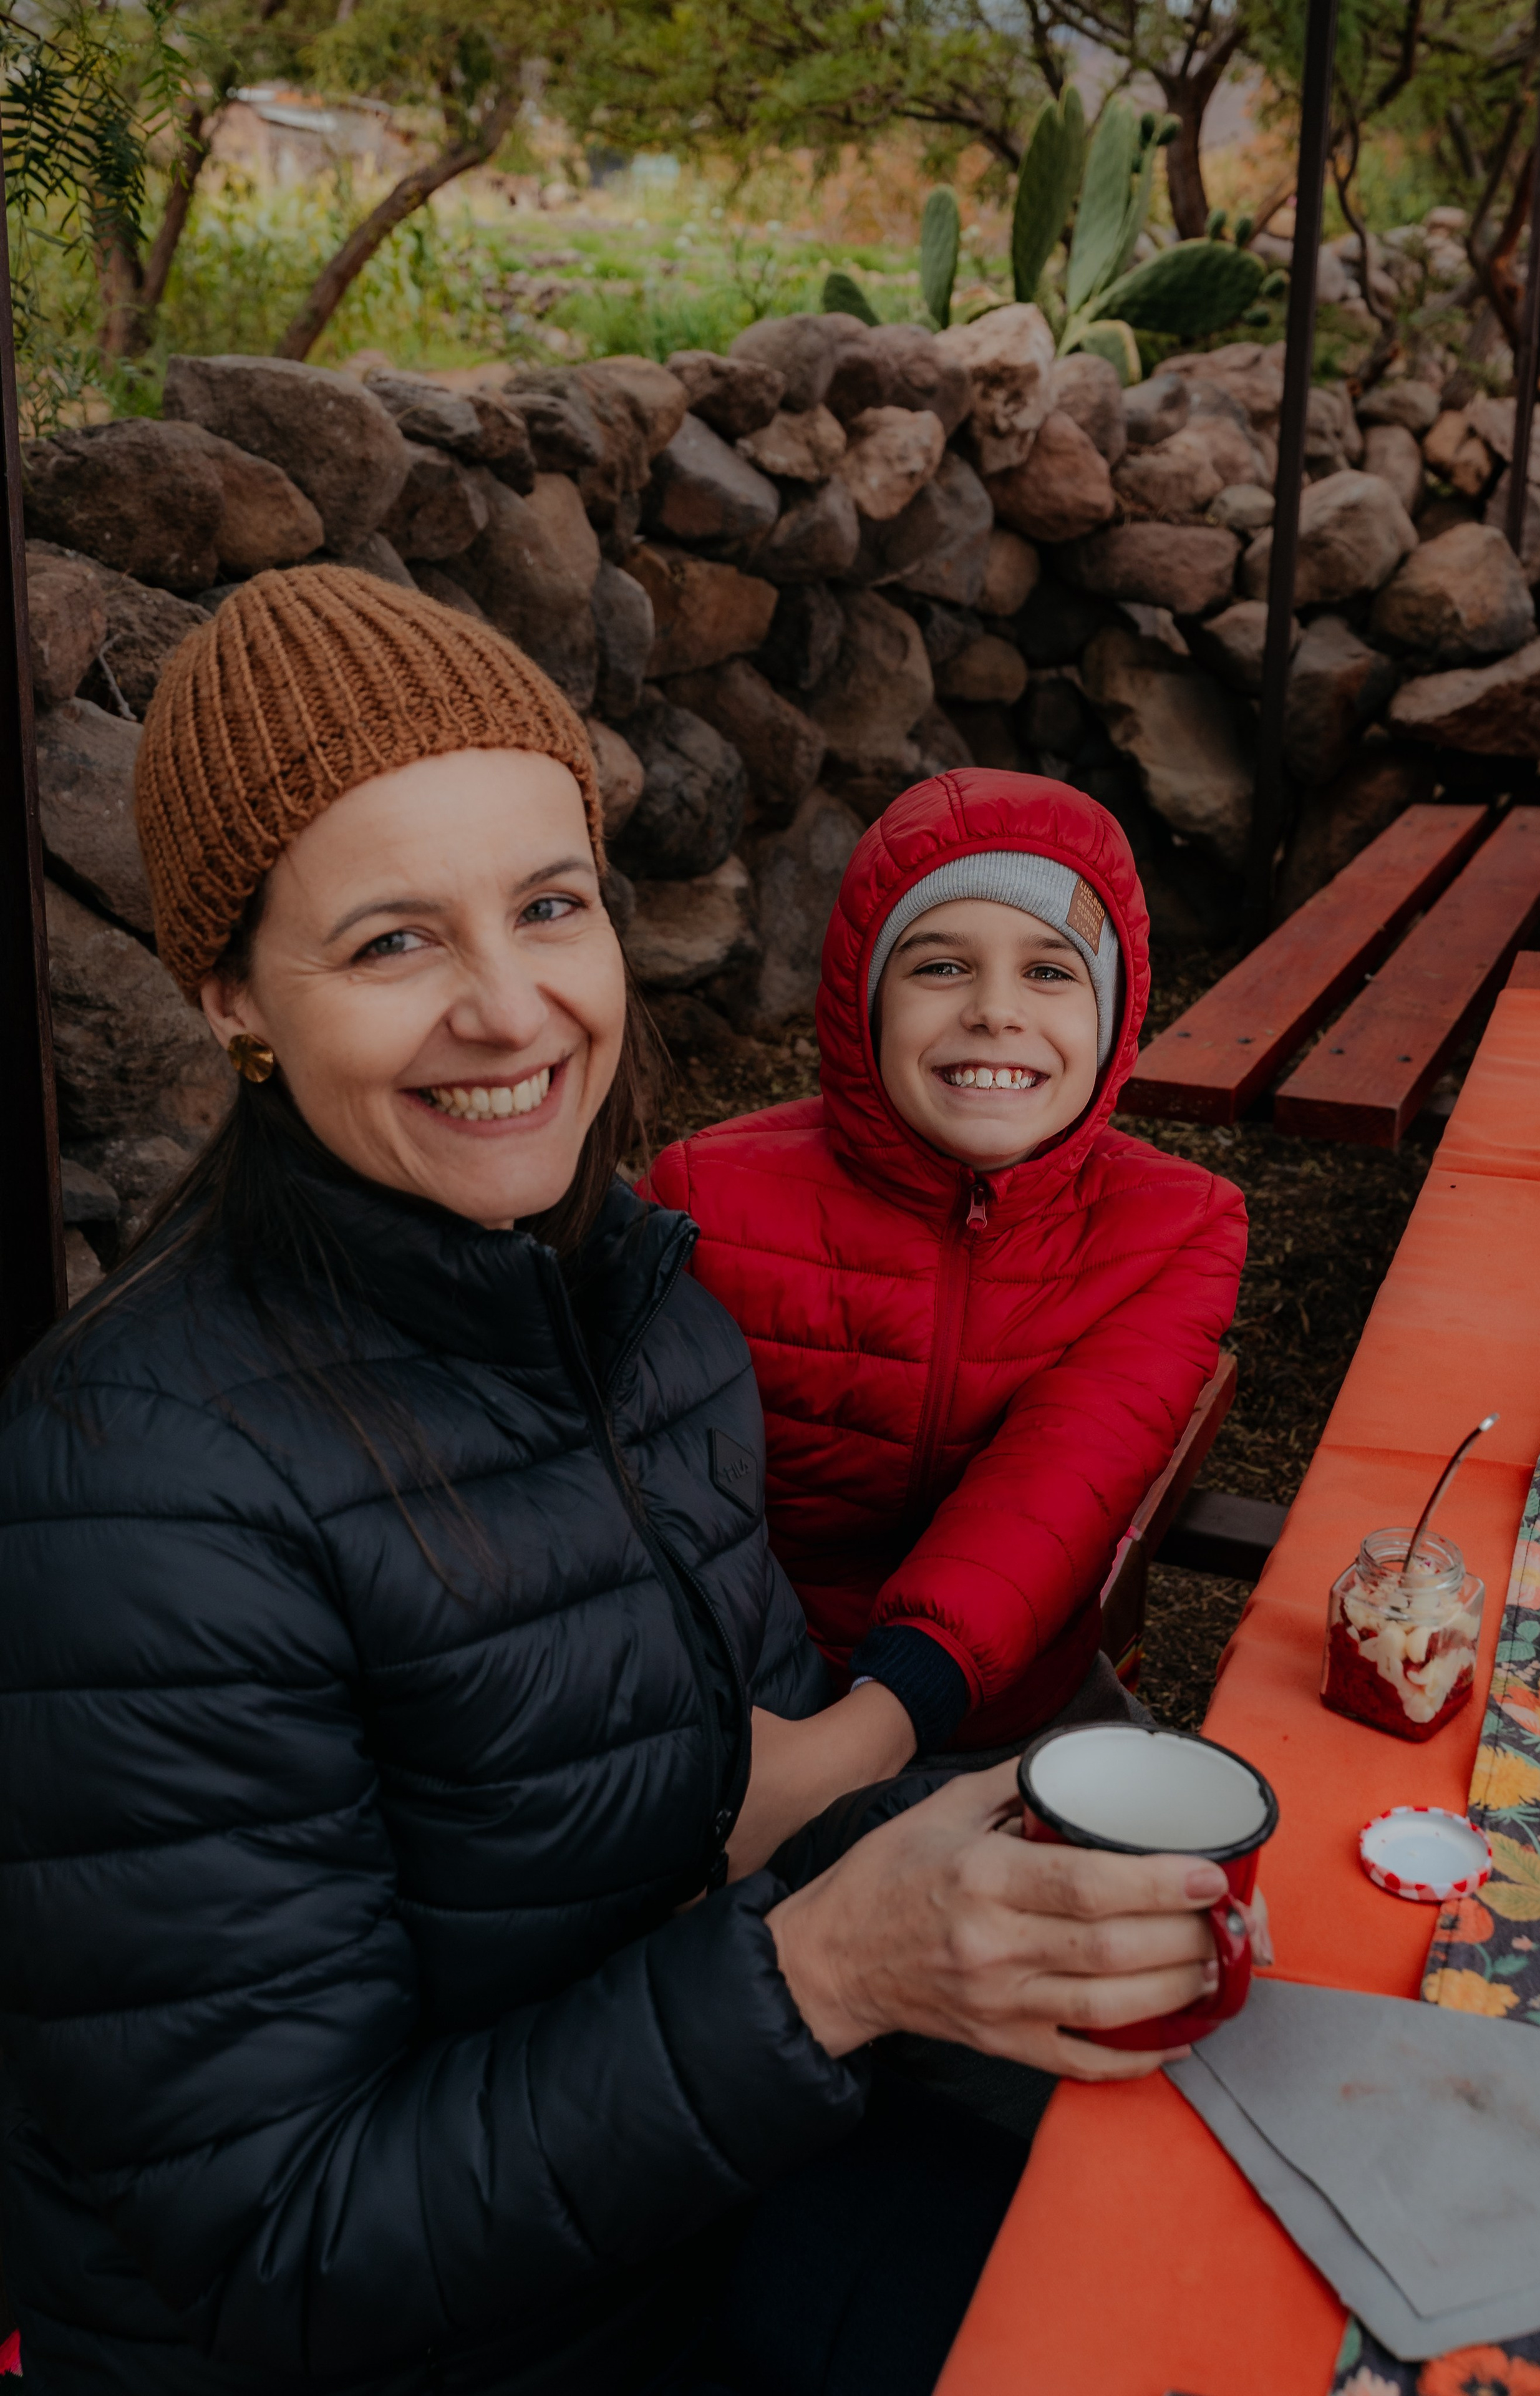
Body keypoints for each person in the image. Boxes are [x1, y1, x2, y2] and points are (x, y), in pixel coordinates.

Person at [0, 572, 1239, 2396]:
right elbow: (278, 2243)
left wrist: (1032, 1883)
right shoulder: (133, 1490)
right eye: (392, 943)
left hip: (697, 2192)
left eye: (549, 906)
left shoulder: (642, 1314)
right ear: (230, 997)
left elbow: (712, 1809)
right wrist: (832, 1969)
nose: (513, 1012)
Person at [644, 769, 1248, 1843]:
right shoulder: (705, 1196)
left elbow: (1056, 1485)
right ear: (862, 998)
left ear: (1114, 1020)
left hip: (1011, 1711)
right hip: (737, 1705)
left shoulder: (1177, 1227)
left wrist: (866, 1737)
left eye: (1052, 970)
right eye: (941, 964)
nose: (997, 1009)